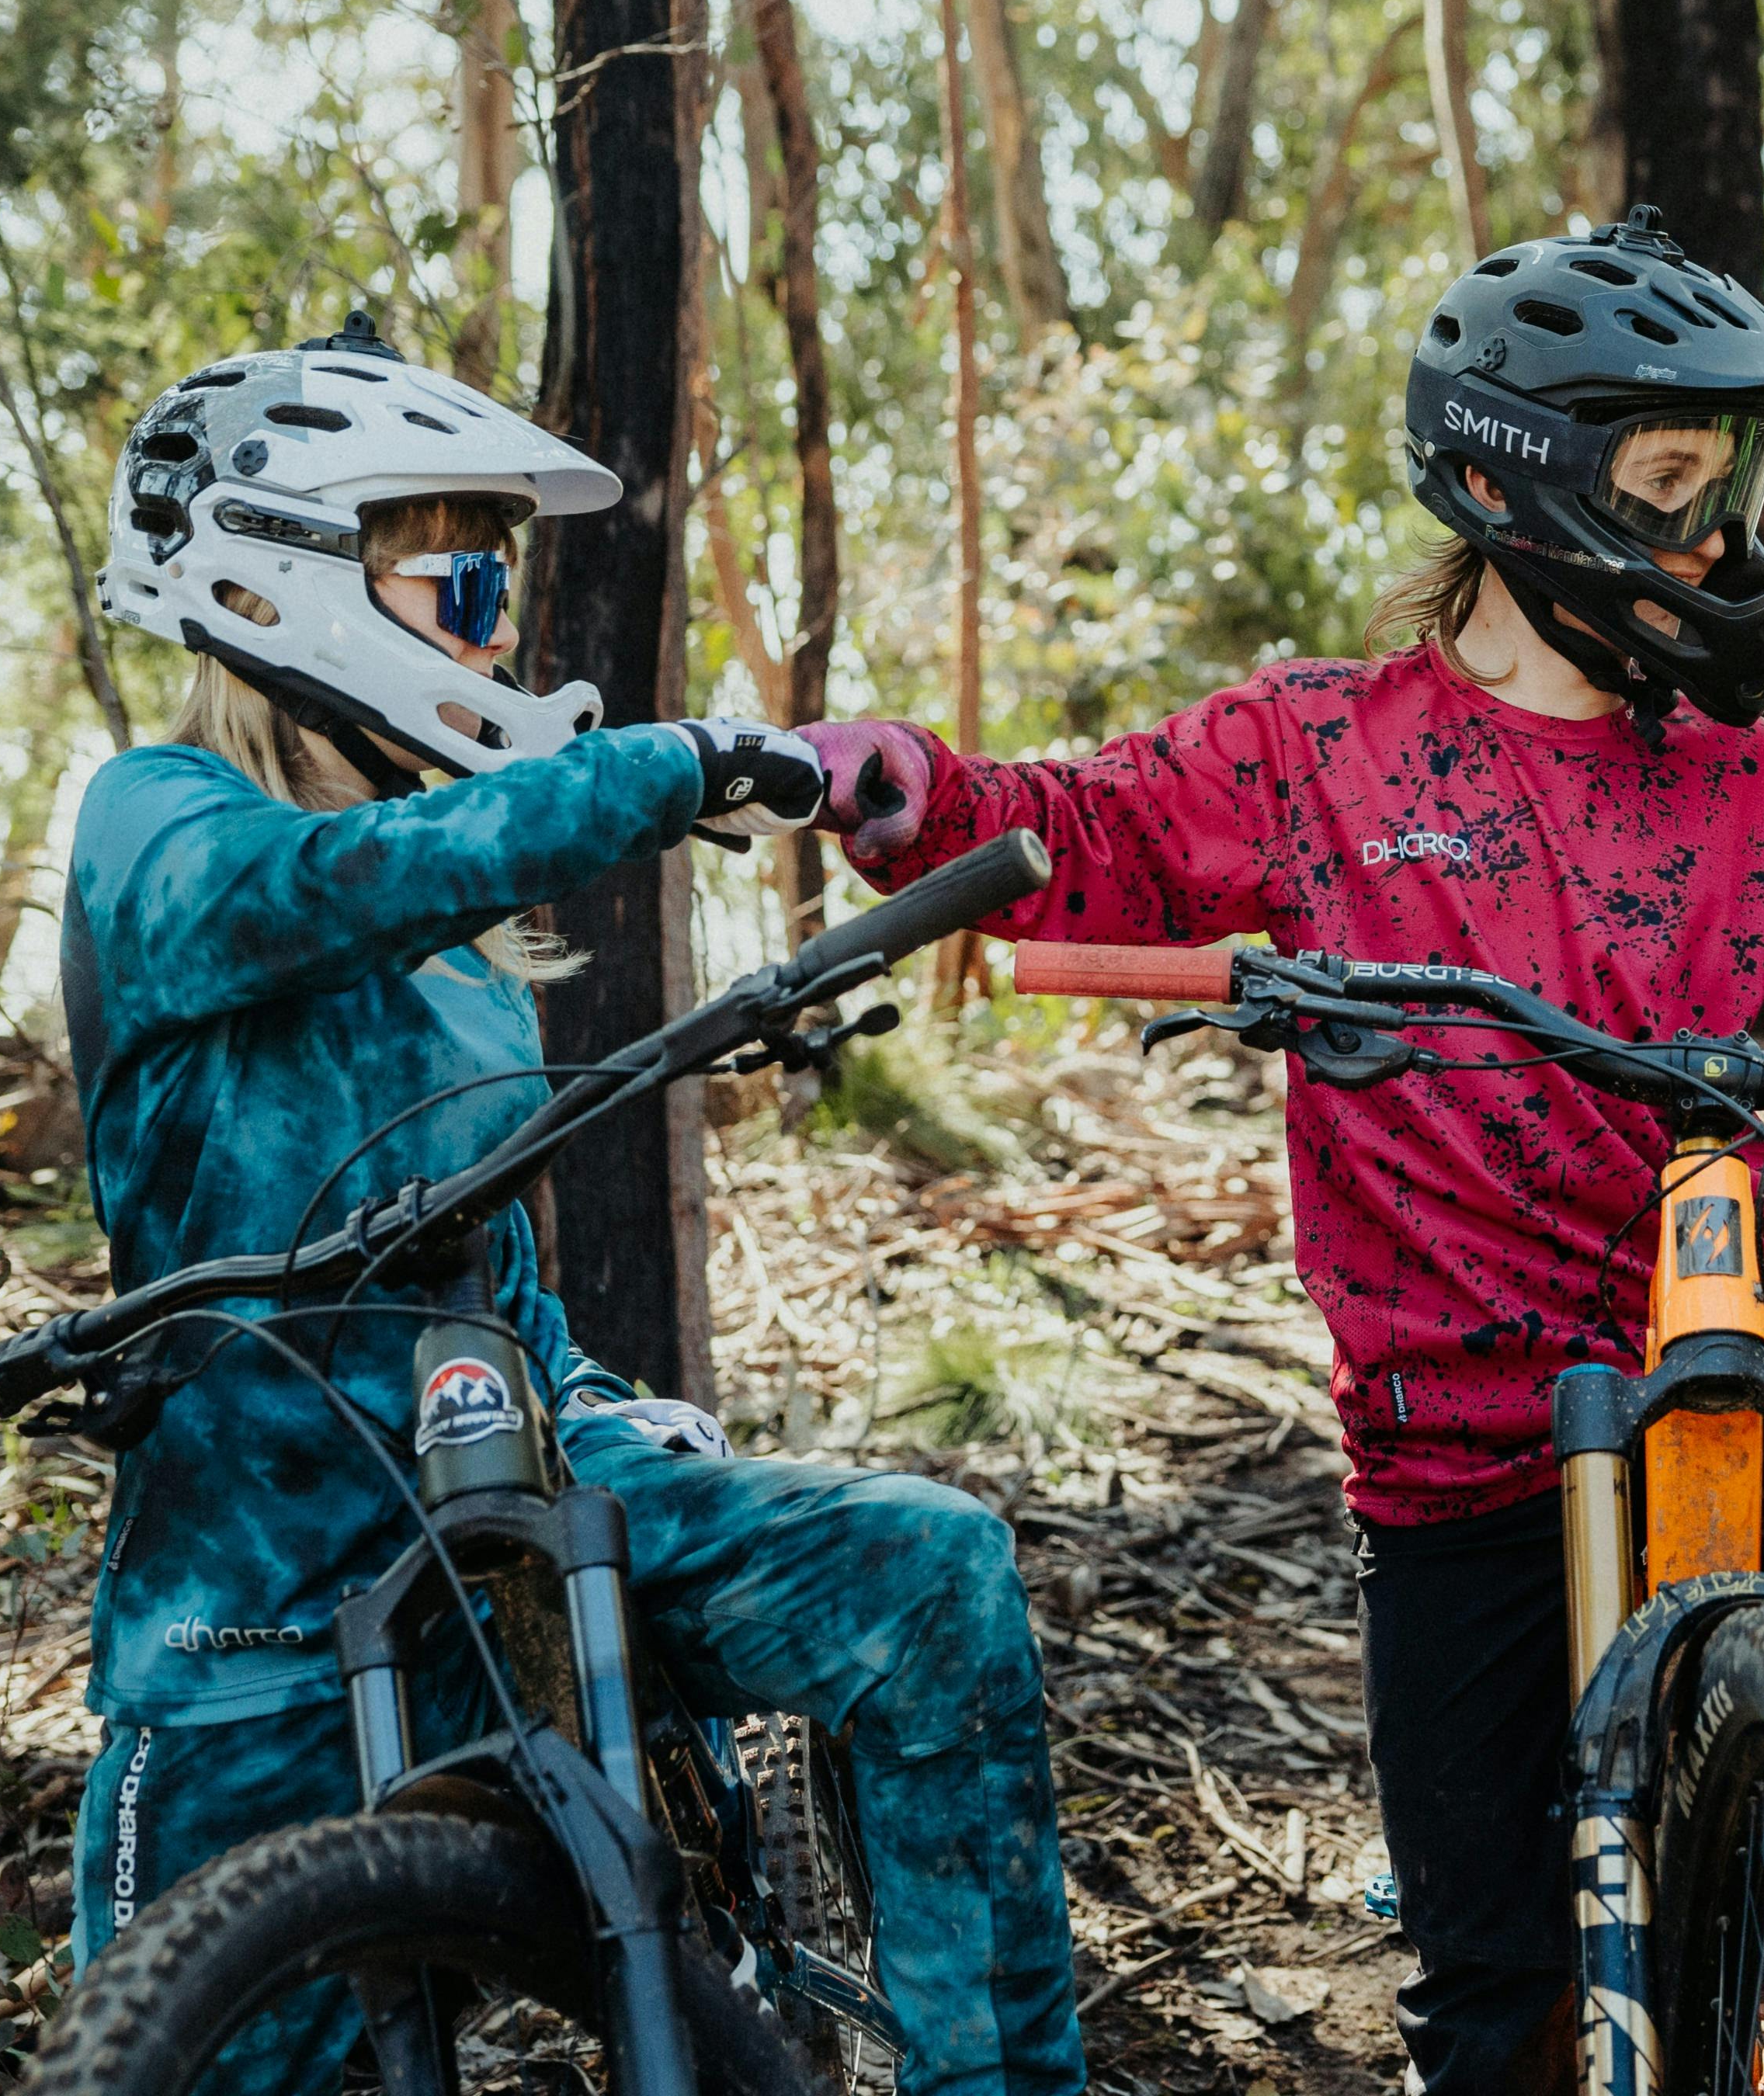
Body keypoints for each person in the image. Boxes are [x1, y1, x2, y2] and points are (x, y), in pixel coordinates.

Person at [754, 210, 1764, 2095]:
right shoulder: (1318, 751)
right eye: (1677, 482)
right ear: (1532, 478)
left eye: (1729, 488)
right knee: (1495, 2010)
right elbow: (1069, 827)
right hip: (1467, 1458)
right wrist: (906, 791)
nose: (1721, 540)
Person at [61, 315, 1085, 2096]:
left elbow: (491, 1285)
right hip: (262, 1623)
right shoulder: (161, 820)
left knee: (926, 1571)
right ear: (281, 581)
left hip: (514, 1513)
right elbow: (320, 889)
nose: (496, 634)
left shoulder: (466, 957)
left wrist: (596, 1402)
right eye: (461, 585)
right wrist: (672, 765)